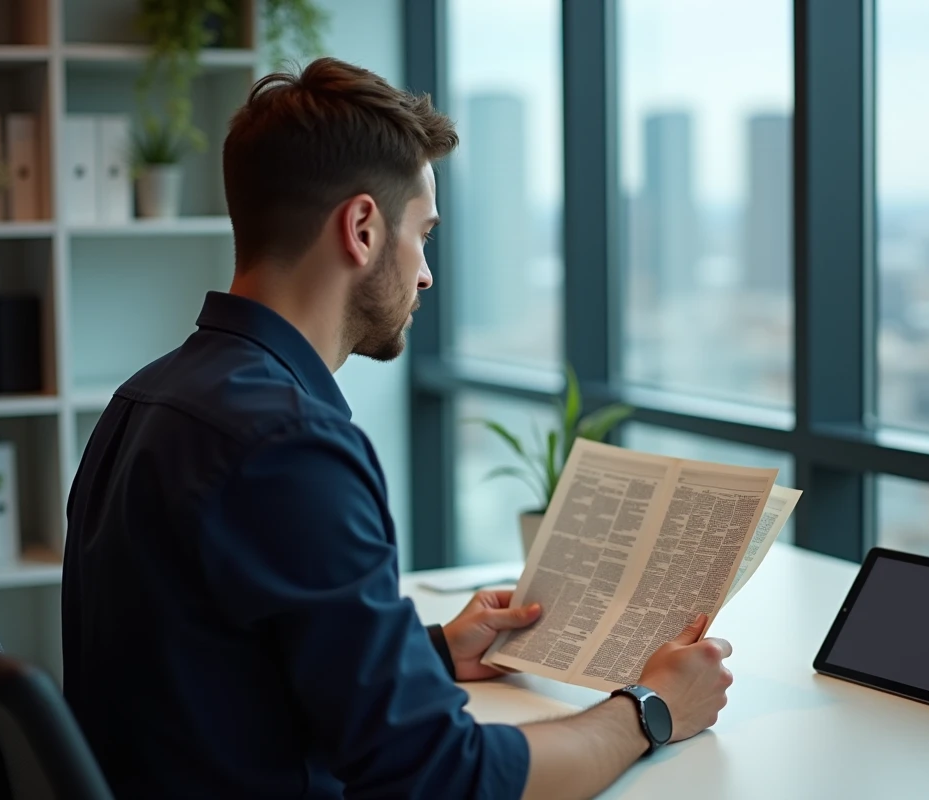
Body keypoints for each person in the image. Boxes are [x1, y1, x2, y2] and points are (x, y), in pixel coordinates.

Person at [62, 57, 733, 800]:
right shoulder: (289, 447)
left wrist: (436, 650)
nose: (425, 274)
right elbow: (440, 777)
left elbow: (219, 657)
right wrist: (649, 709)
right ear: (361, 229)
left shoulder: (145, 397)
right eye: (424, 234)